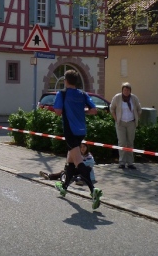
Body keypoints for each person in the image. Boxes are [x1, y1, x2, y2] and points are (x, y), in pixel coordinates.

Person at [53, 69, 103, 210]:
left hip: (70, 131)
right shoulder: (83, 94)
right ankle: (64, 187)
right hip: (81, 131)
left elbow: (58, 112)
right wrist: (82, 111)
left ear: (65, 81)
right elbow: (94, 110)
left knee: (78, 162)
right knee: (70, 160)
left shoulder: (62, 94)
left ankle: (93, 190)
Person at [110, 82, 142, 169]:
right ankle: (122, 162)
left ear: (130, 91)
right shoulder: (117, 97)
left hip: (131, 123)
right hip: (120, 123)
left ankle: (130, 163)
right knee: (122, 142)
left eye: (128, 90)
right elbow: (112, 109)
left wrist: (136, 117)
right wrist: (116, 118)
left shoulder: (134, 98)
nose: (126, 91)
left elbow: (139, 109)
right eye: (124, 90)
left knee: (130, 142)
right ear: (122, 90)